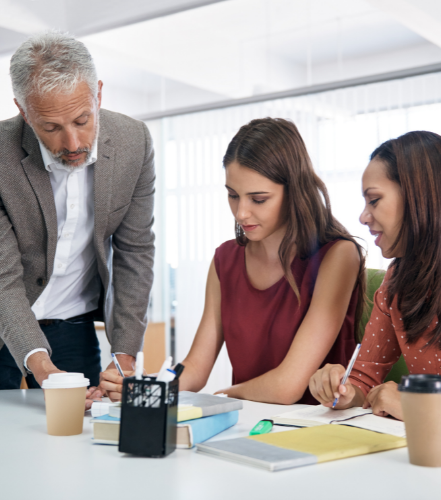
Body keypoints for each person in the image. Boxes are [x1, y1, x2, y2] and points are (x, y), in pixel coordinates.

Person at [104, 117, 365, 404]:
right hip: (249, 423)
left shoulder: (337, 256)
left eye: (259, 199)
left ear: (294, 191)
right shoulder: (225, 260)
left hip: (313, 429)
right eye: (233, 195)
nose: (241, 213)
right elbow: (195, 369)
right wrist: (145, 387)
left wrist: (223, 396)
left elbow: (288, 386)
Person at [0, 31, 155, 408]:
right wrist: (41, 366)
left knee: (77, 449)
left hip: (73, 327)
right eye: (51, 128)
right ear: (24, 111)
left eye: (83, 119)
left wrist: (124, 357)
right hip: (4, 319)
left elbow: (136, 254)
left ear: (98, 94)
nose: (72, 143)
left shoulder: (135, 142)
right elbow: (2, 277)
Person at [309, 130, 441, 431]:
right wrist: (341, 389)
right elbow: (364, 377)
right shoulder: (396, 280)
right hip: (428, 453)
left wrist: (418, 408)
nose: (363, 216)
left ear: (420, 196)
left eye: (374, 200)